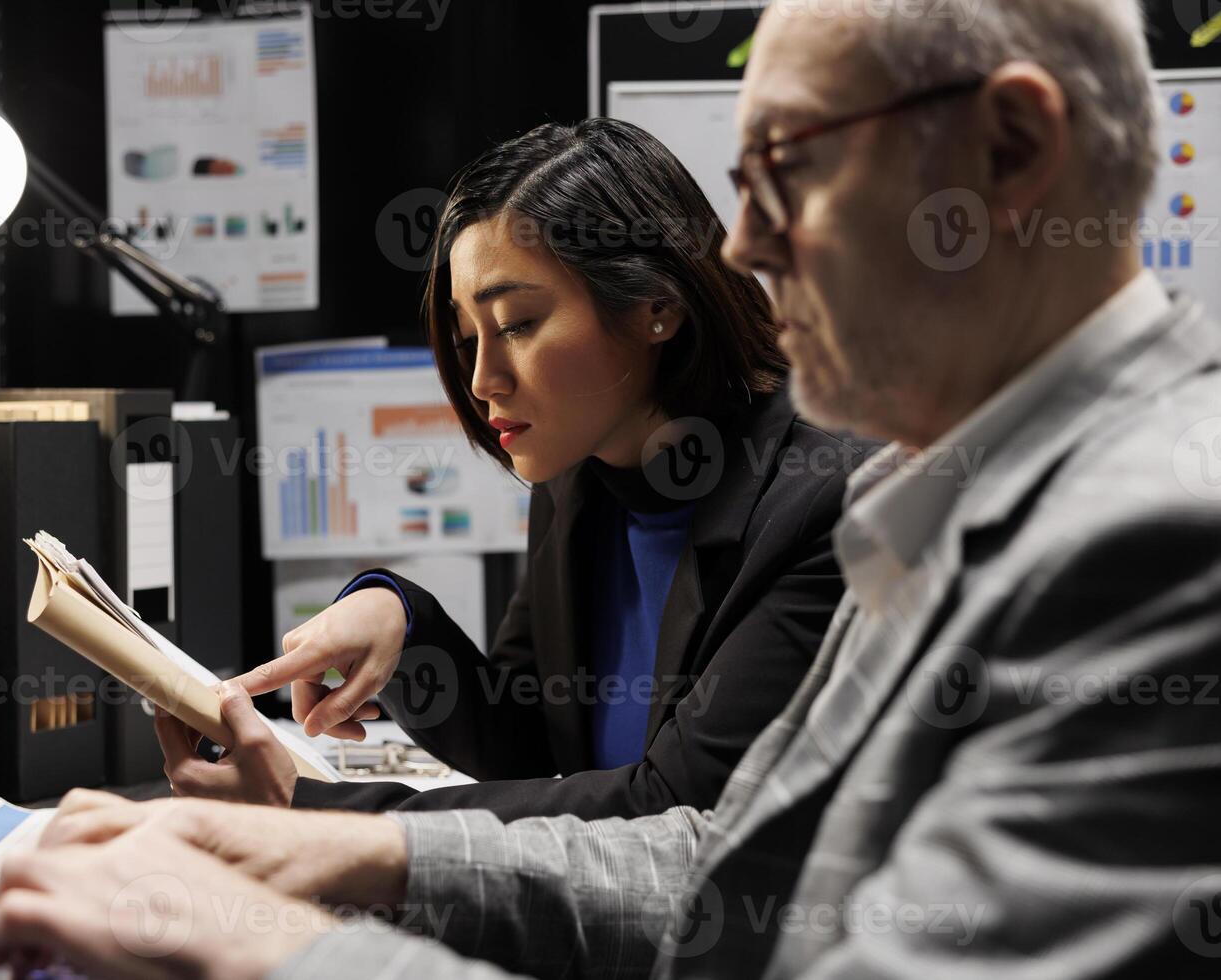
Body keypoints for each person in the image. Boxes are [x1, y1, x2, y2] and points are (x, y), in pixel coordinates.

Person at [0, 1, 1221, 976]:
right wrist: (338, 845)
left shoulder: (1163, 537)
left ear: (1009, 149)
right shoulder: (946, 492)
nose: (744, 244)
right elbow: (711, 866)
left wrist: (272, 932)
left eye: (784, 167)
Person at [155, 117, 870, 822]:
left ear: (659, 306)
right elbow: (524, 744)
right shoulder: (577, 476)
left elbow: (671, 808)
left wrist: (315, 812)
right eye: (469, 337)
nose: (482, 379)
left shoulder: (821, 500)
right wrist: (400, 617)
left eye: (519, 324)